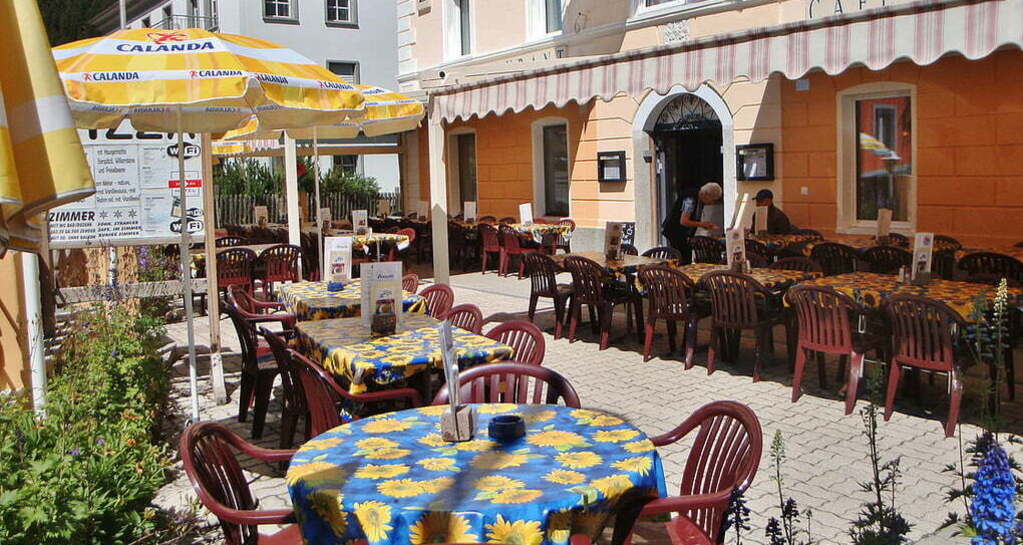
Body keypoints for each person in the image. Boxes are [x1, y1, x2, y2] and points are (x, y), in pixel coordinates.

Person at [661, 182, 724, 264]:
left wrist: (702, 225)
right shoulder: (690, 199)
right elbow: (684, 221)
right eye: (712, 200)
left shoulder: (700, 200)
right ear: (706, 195)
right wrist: (702, 224)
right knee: (682, 258)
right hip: (675, 231)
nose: (711, 203)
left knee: (686, 255)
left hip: (683, 234)